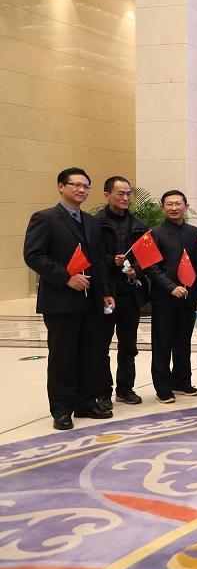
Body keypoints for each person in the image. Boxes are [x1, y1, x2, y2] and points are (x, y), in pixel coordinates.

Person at [23, 167, 114, 430]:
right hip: (61, 301)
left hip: (90, 300)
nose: (81, 190)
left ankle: (85, 403)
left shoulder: (92, 222)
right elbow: (34, 255)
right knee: (63, 356)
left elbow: (98, 260)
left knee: (89, 353)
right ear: (61, 186)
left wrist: (105, 291)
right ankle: (62, 409)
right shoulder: (45, 218)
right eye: (76, 185)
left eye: (86, 186)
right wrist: (66, 277)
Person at [144, 190, 197, 404]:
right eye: (169, 204)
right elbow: (151, 267)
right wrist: (171, 287)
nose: (174, 208)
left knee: (183, 343)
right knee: (162, 344)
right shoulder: (154, 233)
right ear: (162, 207)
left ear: (186, 206)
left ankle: (182, 381)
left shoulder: (195, 233)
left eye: (178, 204)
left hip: (189, 298)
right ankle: (163, 387)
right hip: (164, 299)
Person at [97, 175, 149, 406]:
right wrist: (111, 260)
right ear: (107, 195)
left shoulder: (139, 225)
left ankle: (125, 389)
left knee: (128, 346)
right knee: (101, 346)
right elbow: (92, 258)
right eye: (120, 193)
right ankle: (102, 392)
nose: (126, 198)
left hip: (130, 293)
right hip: (105, 292)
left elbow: (147, 257)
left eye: (128, 194)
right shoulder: (95, 224)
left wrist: (137, 270)